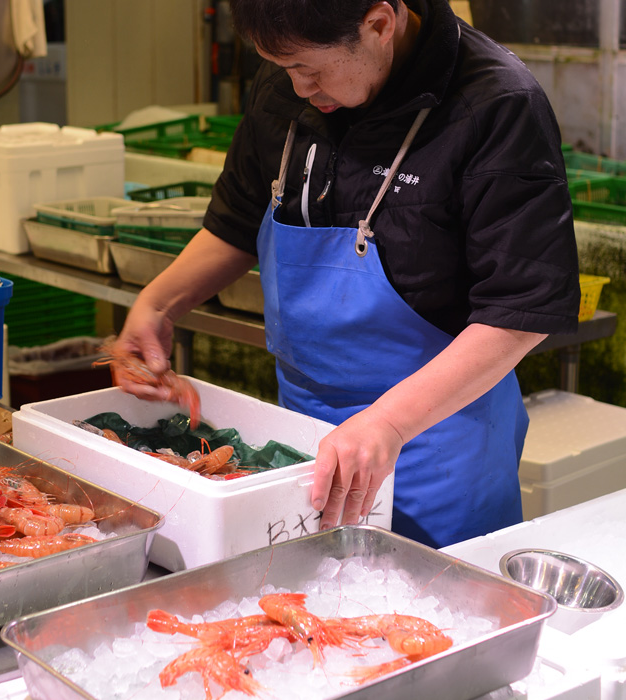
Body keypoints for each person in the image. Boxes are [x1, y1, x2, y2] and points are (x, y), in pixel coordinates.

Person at [111, 0, 580, 548]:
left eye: (311, 70)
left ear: (380, 24)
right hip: (304, 432)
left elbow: (519, 311)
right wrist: (159, 303)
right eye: (285, 70)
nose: (298, 87)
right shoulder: (292, 75)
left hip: (436, 442)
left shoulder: (497, 104)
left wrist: (390, 424)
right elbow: (239, 218)